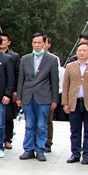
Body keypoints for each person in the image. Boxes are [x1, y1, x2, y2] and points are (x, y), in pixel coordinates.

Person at [17, 33, 60, 162]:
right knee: (29, 124)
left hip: (44, 97)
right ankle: (28, 149)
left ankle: (40, 149)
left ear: (45, 43)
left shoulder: (51, 59)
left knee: (42, 124)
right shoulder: (25, 59)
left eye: (39, 43)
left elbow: (54, 81)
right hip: (28, 96)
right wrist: (19, 97)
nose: (36, 45)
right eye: (34, 42)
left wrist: (54, 99)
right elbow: (21, 79)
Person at [62, 42, 88, 165]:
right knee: (75, 130)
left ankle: (87, 155)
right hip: (75, 102)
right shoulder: (70, 66)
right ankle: (75, 153)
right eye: (79, 50)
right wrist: (65, 103)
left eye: (84, 50)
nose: (81, 52)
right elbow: (66, 86)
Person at [0, 33, 20, 149]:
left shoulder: (14, 56)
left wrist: (15, 90)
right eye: (0, 40)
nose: (2, 42)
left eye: (4, 40)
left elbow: (17, 74)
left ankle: (7, 139)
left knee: (8, 116)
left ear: (9, 42)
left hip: (9, 89)